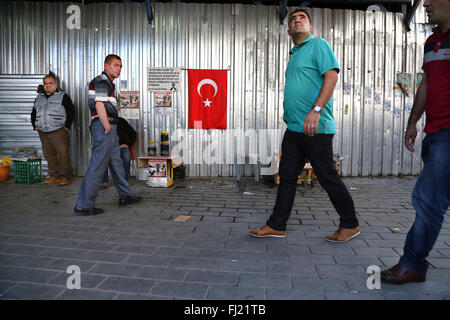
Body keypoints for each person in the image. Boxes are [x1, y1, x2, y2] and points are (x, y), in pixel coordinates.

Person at [250, 8, 360, 242]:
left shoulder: (318, 45)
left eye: (302, 18)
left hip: (315, 129)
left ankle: (350, 224)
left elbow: (331, 77)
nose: (297, 20)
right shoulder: (295, 54)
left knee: (327, 177)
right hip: (294, 129)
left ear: (311, 28)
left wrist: (316, 110)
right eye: (293, 19)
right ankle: (276, 225)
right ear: (289, 30)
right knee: (287, 176)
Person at [381, 0, 449, 285]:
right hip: (433, 133)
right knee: (434, 198)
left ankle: (413, 263)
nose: (427, 4)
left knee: (428, 199)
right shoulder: (432, 41)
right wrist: (413, 121)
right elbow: (426, 84)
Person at [74, 54, 142, 215]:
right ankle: (84, 205)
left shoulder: (108, 84)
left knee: (117, 163)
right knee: (97, 166)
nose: (118, 69)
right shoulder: (102, 81)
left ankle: (125, 196)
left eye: (120, 66)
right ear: (106, 66)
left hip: (110, 126)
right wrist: (106, 126)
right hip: (104, 126)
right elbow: (99, 104)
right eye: (115, 65)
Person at [31, 73, 74, 186]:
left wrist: (67, 126)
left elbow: (71, 111)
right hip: (43, 131)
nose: (48, 86)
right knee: (49, 155)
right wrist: (34, 125)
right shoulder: (39, 97)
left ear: (55, 84)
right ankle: (54, 176)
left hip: (58, 130)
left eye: (50, 83)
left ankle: (65, 177)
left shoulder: (63, 96)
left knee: (63, 154)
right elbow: (34, 112)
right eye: (45, 83)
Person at [101, 117, 136, 189]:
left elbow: (133, 133)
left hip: (120, 146)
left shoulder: (121, 120)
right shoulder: (100, 121)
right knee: (102, 154)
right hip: (107, 147)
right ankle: (104, 181)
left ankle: (124, 181)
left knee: (126, 153)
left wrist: (127, 144)